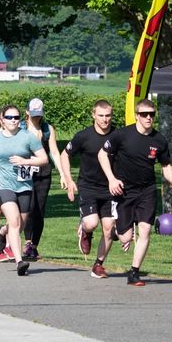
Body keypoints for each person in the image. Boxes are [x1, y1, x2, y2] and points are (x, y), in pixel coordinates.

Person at [98, 99, 172, 286]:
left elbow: (166, 164)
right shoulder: (122, 135)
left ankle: (134, 273)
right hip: (124, 191)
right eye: (144, 114)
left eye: (152, 114)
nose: (149, 118)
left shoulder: (159, 140)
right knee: (126, 236)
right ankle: (115, 232)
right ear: (137, 115)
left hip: (147, 190)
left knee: (145, 230)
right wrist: (111, 179)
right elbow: (102, 154)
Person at [0, 104, 49, 276]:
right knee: (14, 221)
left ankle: (3, 233)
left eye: (16, 117)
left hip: (24, 186)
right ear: (2, 119)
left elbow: (44, 159)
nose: (13, 120)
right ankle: (20, 261)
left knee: (20, 224)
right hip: (2, 186)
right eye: (9, 117)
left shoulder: (28, 137)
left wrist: (26, 161)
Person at [63, 99, 115, 278]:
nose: (105, 119)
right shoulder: (83, 136)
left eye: (108, 115)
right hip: (88, 186)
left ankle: (98, 265)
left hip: (110, 189)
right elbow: (65, 154)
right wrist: (69, 180)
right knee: (92, 223)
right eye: (101, 115)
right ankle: (85, 230)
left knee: (109, 228)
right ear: (93, 115)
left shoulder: (117, 135)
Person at [21, 98, 71, 260]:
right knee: (28, 207)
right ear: (27, 112)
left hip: (43, 173)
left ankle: (34, 245)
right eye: (33, 114)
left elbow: (55, 153)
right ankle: (27, 243)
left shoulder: (48, 129)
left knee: (39, 210)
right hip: (25, 172)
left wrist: (63, 174)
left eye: (38, 114)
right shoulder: (20, 129)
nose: (36, 118)